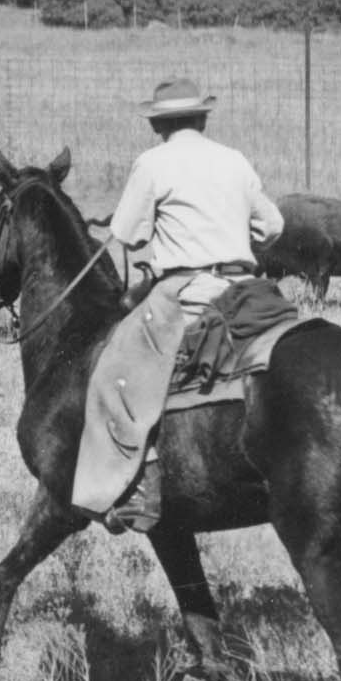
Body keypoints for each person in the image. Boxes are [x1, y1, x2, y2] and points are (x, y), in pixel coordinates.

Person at [73, 78, 285, 535]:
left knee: (114, 371)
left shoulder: (153, 163)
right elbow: (273, 226)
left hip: (187, 294)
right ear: (203, 118)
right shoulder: (234, 159)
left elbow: (128, 235)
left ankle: (140, 487)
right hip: (249, 290)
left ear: (158, 124)